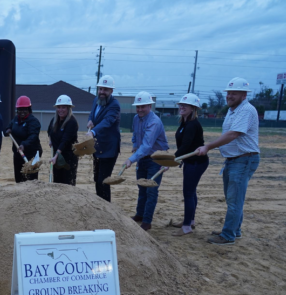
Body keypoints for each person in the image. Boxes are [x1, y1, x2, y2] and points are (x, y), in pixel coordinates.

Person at [196, 77, 260, 245]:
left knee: (234, 200)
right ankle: (235, 230)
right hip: (233, 160)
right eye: (229, 92)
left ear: (244, 94)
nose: (230, 96)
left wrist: (209, 146)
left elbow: (233, 135)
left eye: (234, 93)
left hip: (244, 159)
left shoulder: (246, 110)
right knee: (233, 199)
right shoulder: (233, 110)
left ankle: (228, 235)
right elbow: (229, 135)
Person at [123, 91, 169, 231]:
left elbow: (147, 145)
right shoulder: (136, 118)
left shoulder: (154, 122)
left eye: (143, 106)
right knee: (142, 188)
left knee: (151, 190)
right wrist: (134, 145)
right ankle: (140, 214)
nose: (140, 109)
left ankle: (147, 221)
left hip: (156, 159)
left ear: (150, 106)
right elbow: (136, 135)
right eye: (138, 107)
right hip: (143, 158)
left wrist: (131, 159)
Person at [170, 93, 209, 236]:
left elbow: (186, 146)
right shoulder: (184, 122)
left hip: (196, 162)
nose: (182, 107)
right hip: (190, 161)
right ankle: (190, 220)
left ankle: (186, 227)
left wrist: (171, 160)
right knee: (191, 192)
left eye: (185, 105)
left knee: (188, 193)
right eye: (181, 104)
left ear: (193, 108)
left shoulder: (192, 124)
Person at [86, 75, 121, 202]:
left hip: (109, 149)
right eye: (100, 89)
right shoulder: (96, 100)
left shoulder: (114, 105)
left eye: (105, 89)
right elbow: (92, 114)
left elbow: (107, 121)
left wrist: (93, 132)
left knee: (104, 181)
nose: (102, 92)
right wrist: (90, 120)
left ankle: (107, 208)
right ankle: (101, 207)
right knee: (97, 179)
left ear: (111, 91)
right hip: (98, 148)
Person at [4, 95, 42, 182]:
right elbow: (9, 126)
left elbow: (33, 136)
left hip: (31, 154)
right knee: (19, 178)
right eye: (20, 109)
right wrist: (8, 129)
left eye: (24, 109)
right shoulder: (16, 119)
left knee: (30, 179)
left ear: (29, 109)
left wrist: (24, 144)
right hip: (18, 153)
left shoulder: (33, 121)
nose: (22, 112)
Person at [48, 95, 79, 186]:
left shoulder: (72, 122)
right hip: (57, 157)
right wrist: (51, 140)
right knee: (57, 182)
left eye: (63, 107)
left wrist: (56, 156)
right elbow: (49, 131)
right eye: (59, 107)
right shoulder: (54, 120)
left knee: (67, 183)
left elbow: (65, 141)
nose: (60, 110)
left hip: (68, 157)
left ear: (69, 108)